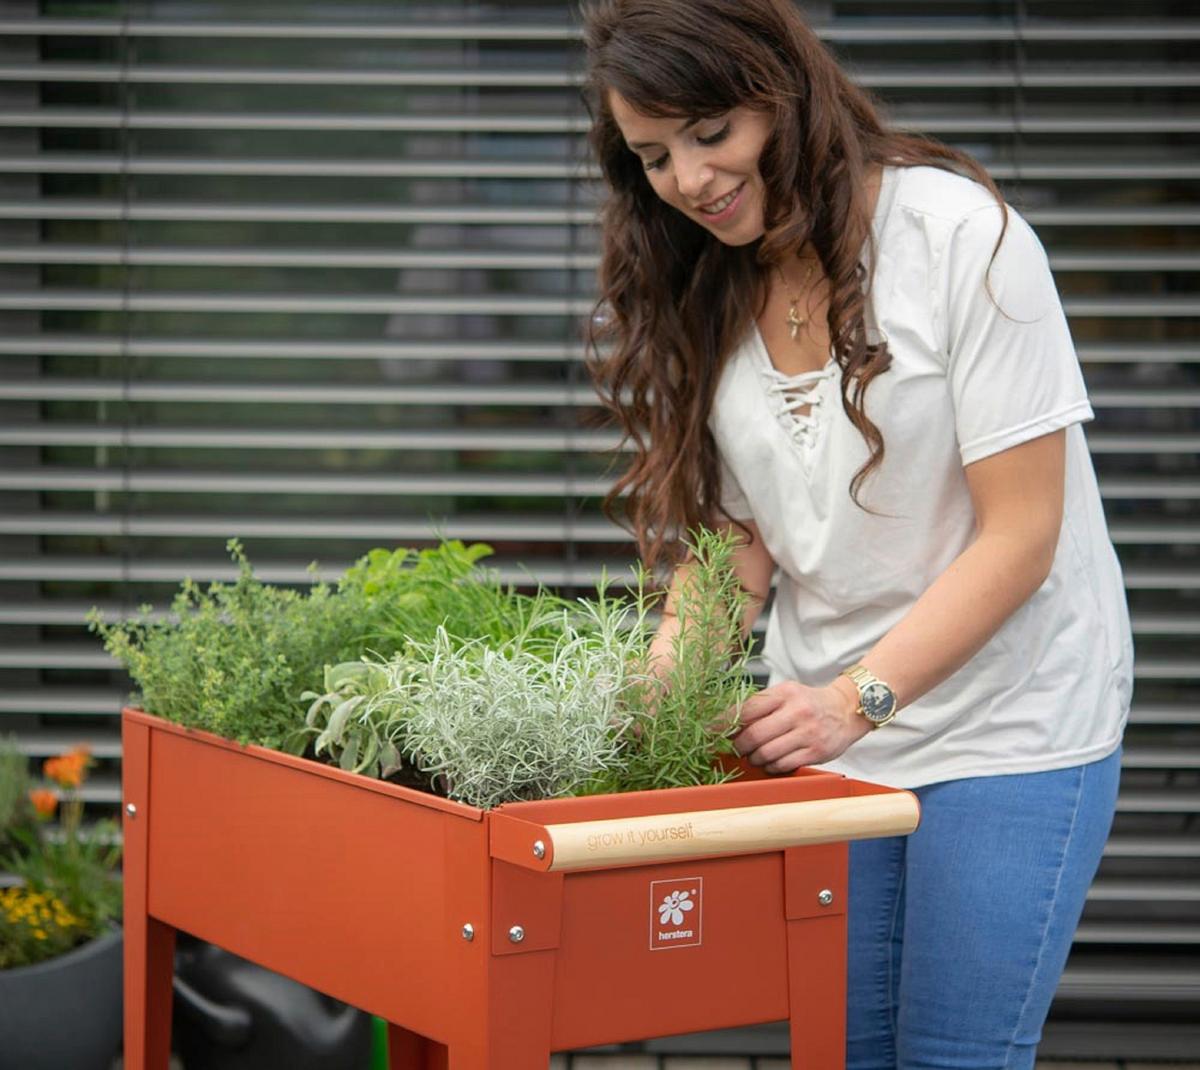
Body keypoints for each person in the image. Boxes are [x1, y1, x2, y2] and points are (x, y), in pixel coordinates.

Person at [579, 2, 1133, 1068]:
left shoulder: (960, 238)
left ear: (782, 93)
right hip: (836, 738)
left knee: (951, 1058)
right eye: (653, 156)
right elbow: (735, 545)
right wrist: (660, 690)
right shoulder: (707, 282)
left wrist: (850, 701)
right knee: (846, 1055)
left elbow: (1023, 535)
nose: (689, 180)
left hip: (1010, 720)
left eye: (709, 134)